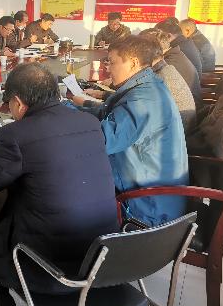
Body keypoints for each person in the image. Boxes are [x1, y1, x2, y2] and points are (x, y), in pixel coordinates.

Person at [0, 63, 118, 306]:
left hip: (53, 266)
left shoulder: (15, 134)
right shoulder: (90, 122)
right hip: (103, 255)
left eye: (9, 104)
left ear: (18, 103)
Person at [73, 36, 188, 227]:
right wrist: (67, 109)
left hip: (147, 209)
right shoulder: (147, 86)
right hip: (152, 192)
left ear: (133, 63)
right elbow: (107, 113)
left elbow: (100, 141)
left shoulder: (142, 101)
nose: (108, 69)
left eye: (112, 62)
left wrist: (59, 124)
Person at [139, 29, 197, 134]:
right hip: (180, 128)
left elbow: (141, 108)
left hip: (176, 134)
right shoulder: (164, 67)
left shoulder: (160, 77)